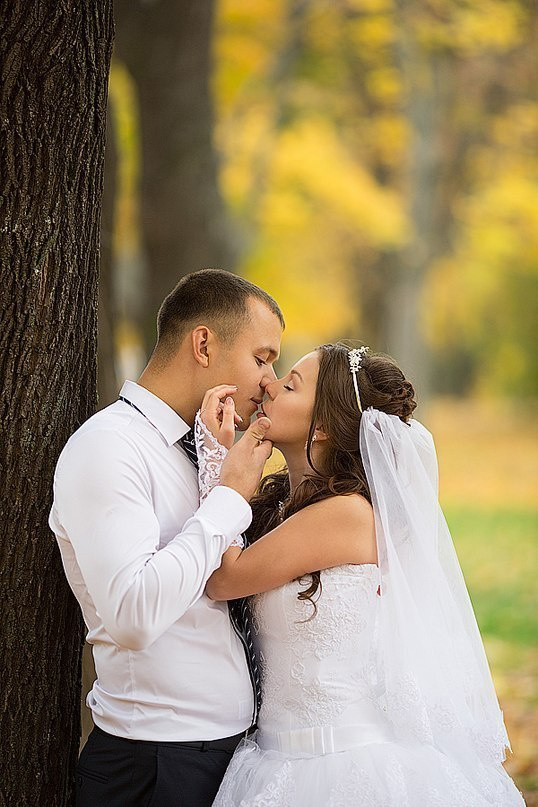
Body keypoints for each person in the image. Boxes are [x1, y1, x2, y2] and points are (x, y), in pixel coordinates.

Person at [194, 343, 526, 806]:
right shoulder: (281, 508)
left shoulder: (346, 515)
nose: (269, 384)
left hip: (340, 765)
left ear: (325, 426)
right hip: (273, 757)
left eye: (289, 385)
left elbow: (224, 577)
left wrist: (216, 465)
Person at [48, 268, 284, 807]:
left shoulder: (204, 450)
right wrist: (229, 499)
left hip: (226, 757)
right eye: (262, 358)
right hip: (155, 766)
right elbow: (132, 614)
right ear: (204, 343)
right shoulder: (109, 447)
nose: (270, 381)